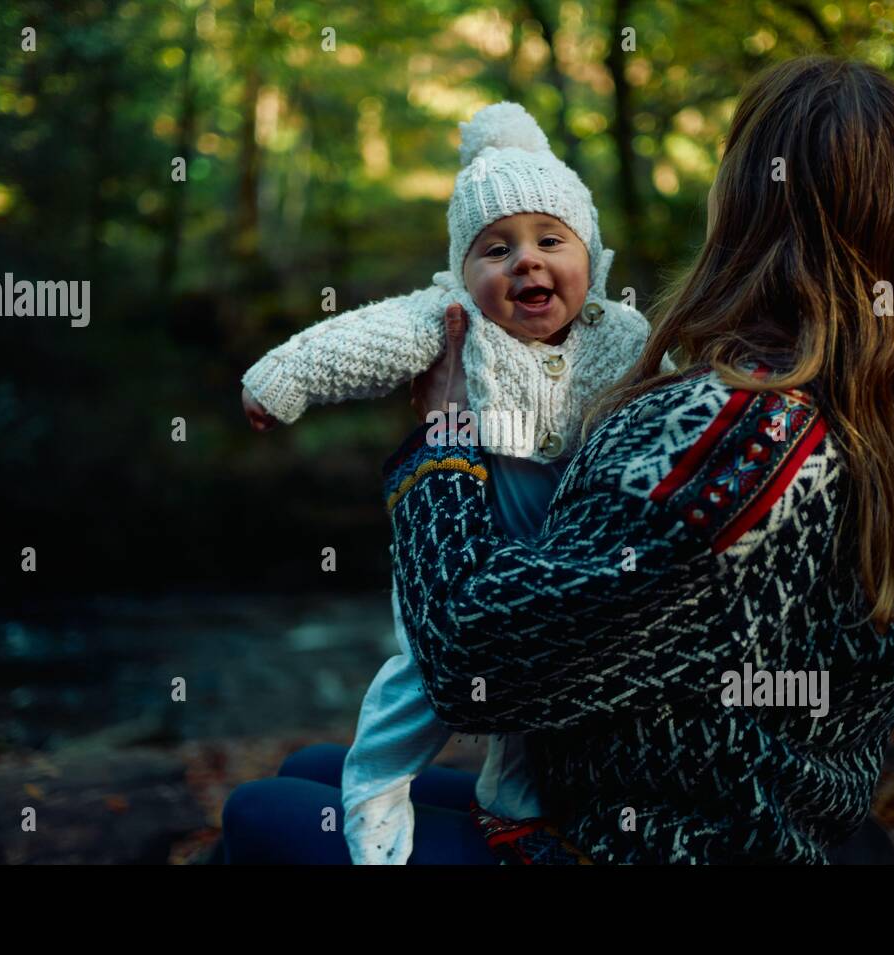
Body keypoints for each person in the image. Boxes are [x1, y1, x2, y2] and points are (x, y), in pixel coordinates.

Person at [223, 54, 894, 864]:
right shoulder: (891, 423)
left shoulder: (735, 439)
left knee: (259, 811)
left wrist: (444, 437)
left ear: (744, 206)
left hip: (650, 842)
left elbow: (467, 660)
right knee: (314, 771)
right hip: (755, 817)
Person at [236, 101, 665, 864]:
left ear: (592, 255)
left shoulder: (626, 335)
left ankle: (512, 796)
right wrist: (279, 380)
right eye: (494, 249)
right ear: (463, 273)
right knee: (421, 684)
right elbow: (360, 339)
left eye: (549, 240)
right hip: (465, 550)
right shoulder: (451, 320)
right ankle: (373, 794)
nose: (525, 261)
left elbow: (677, 400)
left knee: (537, 699)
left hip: (561, 563)